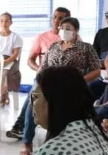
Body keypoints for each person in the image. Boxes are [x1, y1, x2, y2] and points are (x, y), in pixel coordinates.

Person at [19, 17, 101, 155]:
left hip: (71, 87)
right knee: (33, 101)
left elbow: (96, 70)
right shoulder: (54, 46)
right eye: (62, 28)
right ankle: (27, 142)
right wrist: (40, 81)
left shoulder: (85, 48)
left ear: (76, 31)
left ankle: (55, 142)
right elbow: (44, 67)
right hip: (49, 84)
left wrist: (79, 81)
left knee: (60, 108)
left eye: (68, 28)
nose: (64, 31)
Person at [6, 7, 72, 140]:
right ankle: (23, 130)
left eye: (61, 18)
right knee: (35, 90)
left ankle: (20, 127)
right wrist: (39, 68)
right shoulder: (42, 37)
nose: (56, 20)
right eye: (55, 17)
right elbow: (30, 60)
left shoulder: (72, 37)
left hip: (64, 78)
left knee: (34, 91)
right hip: (45, 76)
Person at [0, 12, 23, 106]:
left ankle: (3, 94)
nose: (4, 23)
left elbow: (16, 54)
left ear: (11, 22)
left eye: (6, 21)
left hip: (11, 60)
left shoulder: (15, 37)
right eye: (1, 21)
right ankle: (3, 93)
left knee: (7, 73)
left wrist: (5, 62)